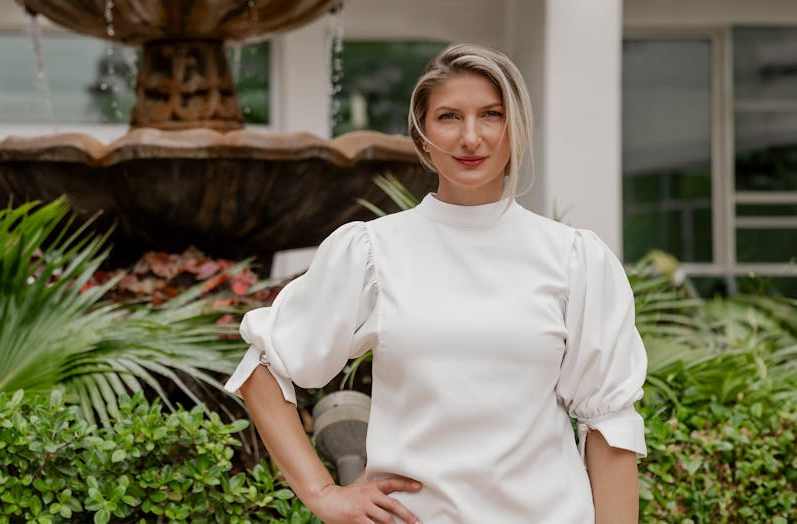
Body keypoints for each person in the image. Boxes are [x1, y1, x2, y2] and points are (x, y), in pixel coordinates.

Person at [224, 43, 647, 523]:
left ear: (517, 129)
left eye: (491, 114)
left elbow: (608, 425)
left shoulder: (575, 259)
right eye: (449, 117)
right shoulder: (372, 253)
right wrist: (323, 493)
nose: (471, 137)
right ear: (423, 136)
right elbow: (264, 365)